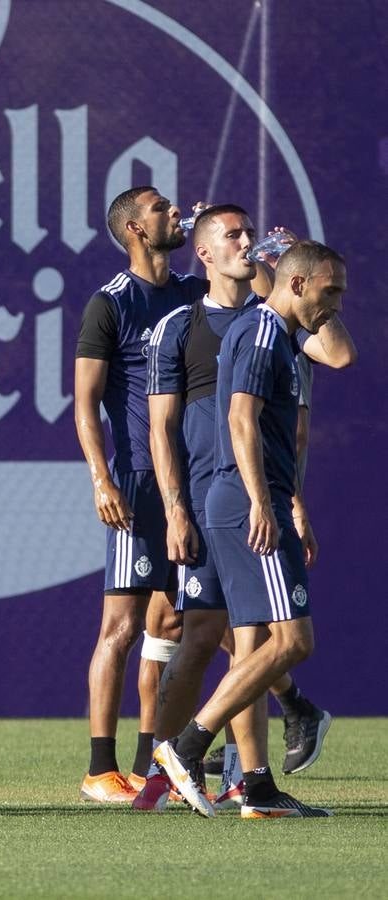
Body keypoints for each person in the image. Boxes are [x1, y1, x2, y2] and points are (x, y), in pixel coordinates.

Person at [137, 208, 354, 811]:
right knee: (282, 641)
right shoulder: (258, 332)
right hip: (239, 503)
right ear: (296, 283)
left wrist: (289, 499)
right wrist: (262, 500)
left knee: (255, 640)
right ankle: (179, 750)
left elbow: (338, 358)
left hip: (249, 500)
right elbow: (237, 419)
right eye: (330, 291)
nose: (335, 303)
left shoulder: (279, 333)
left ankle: (253, 781)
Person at [74, 187, 217, 802]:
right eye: (162, 208)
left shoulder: (191, 292)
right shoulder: (110, 304)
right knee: (122, 624)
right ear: (135, 227)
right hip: (135, 478)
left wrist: (251, 245)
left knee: (185, 618)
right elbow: (83, 402)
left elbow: (263, 295)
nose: (175, 213)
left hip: (191, 477)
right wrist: (101, 478)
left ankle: (151, 763)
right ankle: (99, 768)